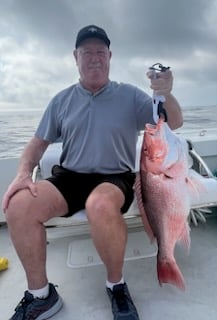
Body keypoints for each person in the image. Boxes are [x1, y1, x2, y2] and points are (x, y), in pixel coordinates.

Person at [2, 25, 183, 320]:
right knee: (18, 205)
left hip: (115, 177)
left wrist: (166, 93)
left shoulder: (130, 95)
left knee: (99, 204)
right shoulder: (61, 101)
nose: (94, 58)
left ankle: (116, 286)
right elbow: (36, 145)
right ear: (76, 57)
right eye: (87, 52)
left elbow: (173, 122)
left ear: (110, 56)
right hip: (70, 177)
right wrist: (24, 172)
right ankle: (41, 296)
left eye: (101, 52)